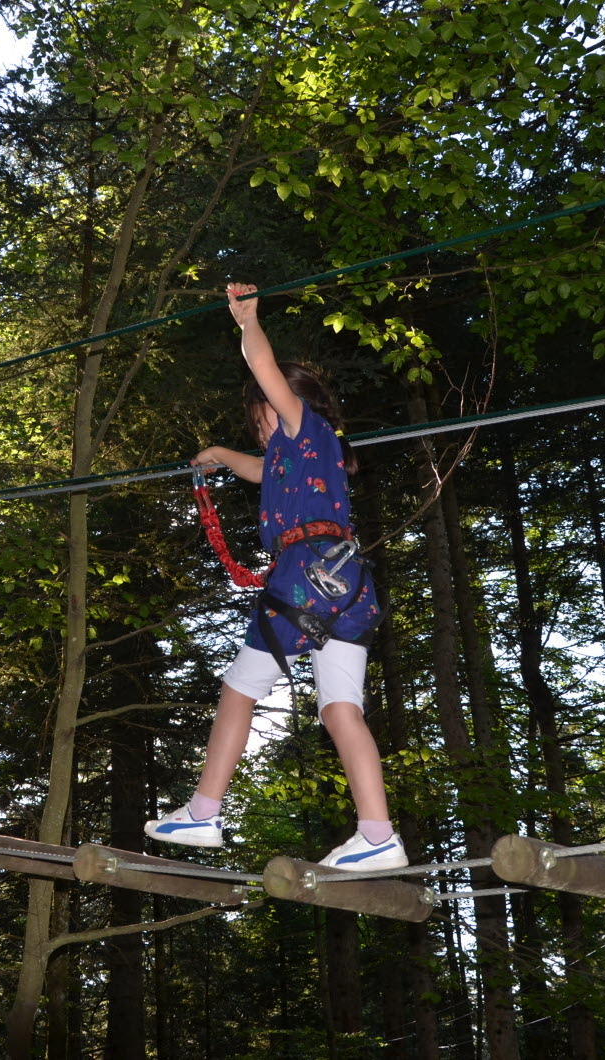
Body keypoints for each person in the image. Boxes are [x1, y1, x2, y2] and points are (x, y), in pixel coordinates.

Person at [144, 282, 405, 871]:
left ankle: (204, 812)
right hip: (347, 587)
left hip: (305, 577)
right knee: (341, 709)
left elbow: (263, 368)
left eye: (262, 414)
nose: (259, 426)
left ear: (285, 401)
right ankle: (378, 833)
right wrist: (217, 453)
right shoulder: (306, 454)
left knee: (239, 688)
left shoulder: (304, 426)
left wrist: (247, 323)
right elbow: (260, 471)